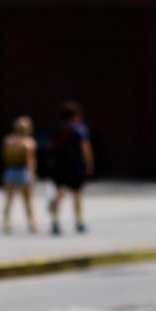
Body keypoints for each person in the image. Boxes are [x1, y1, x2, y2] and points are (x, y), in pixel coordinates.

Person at [48, 100, 95, 235]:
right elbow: (85, 147)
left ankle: (55, 221)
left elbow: (52, 148)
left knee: (60, 192)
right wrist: (89, 163)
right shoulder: (80, 129)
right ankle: (79, 222)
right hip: (75, 165)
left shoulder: (58, 128)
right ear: (76, 115)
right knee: (77, 194)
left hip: (60, 165)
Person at [0, 115, 38, 234]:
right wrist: (32, 175)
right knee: (26, 200)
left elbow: (4, 156)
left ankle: (6, 223)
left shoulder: (8, 140)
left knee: (9, 199)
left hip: (11, 170)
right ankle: (30, 222)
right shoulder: (29, 143)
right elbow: (31, 161)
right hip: (22, 170)